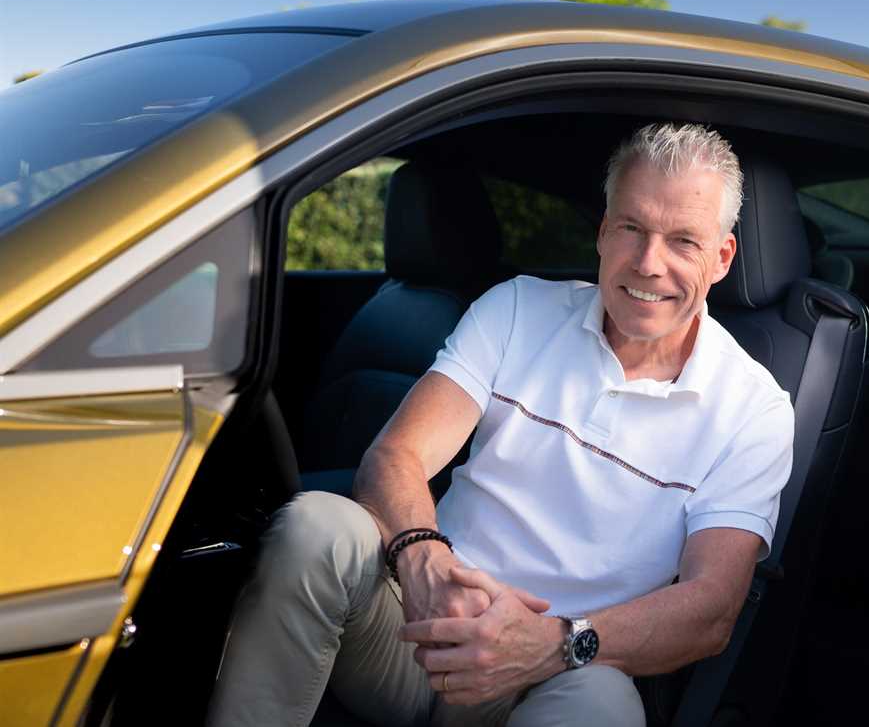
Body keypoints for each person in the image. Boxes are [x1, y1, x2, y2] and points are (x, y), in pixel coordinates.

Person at [207, 122, 795, 727]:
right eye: (632, 228)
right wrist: (422, 559)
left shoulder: (755, 410)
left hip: (552, 673)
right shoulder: (518, 308)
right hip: (422, 628)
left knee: (605, 704)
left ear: (722, 258)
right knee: (315, 524)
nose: (649, 263)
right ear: (602, 231)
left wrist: (548, 643)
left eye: (683, 242)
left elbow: (711, 610)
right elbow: (396, 457)